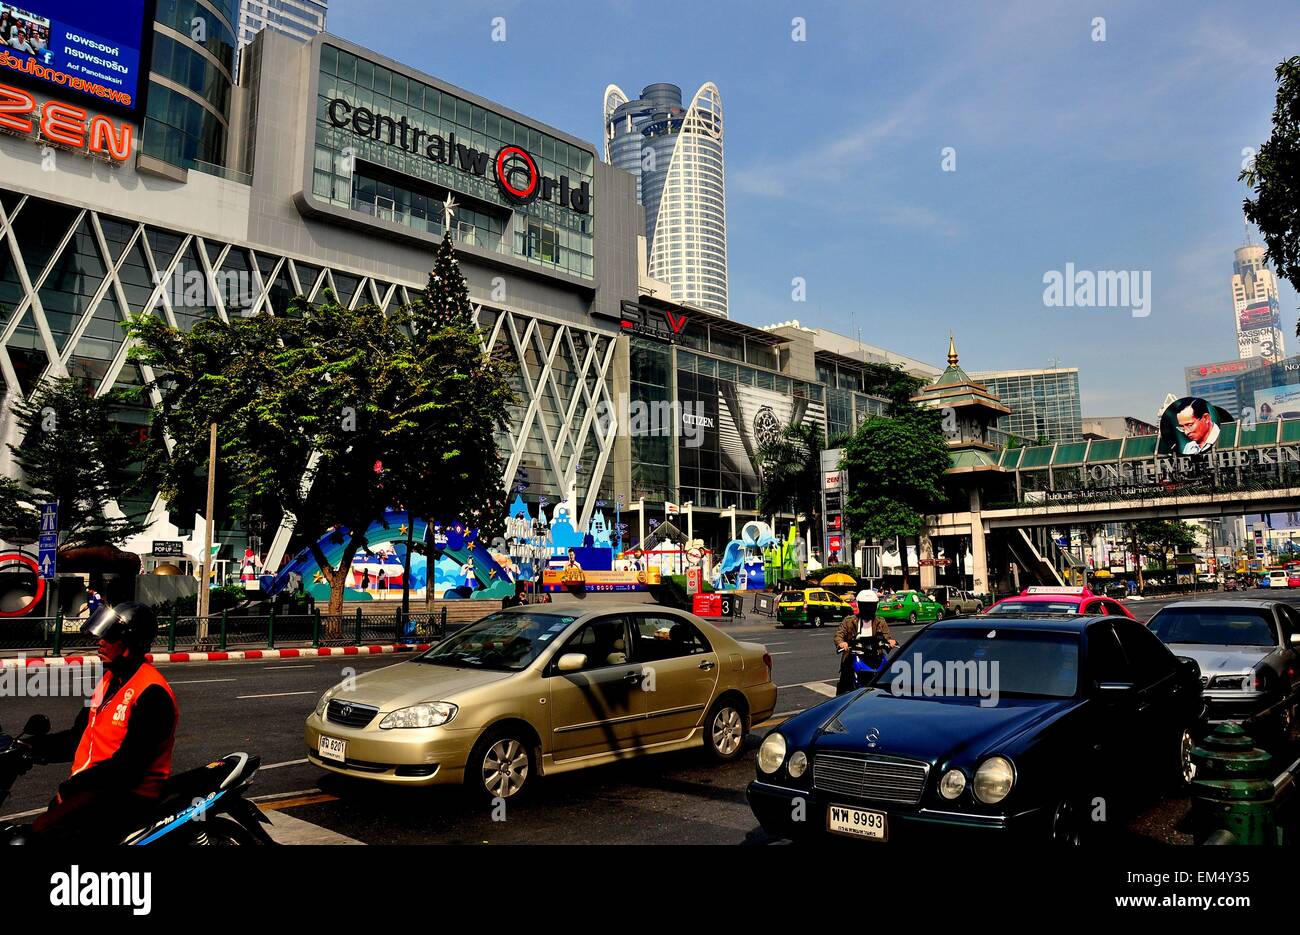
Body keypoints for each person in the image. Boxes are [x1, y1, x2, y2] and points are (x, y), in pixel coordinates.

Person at [27, 602, 178, 844]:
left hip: (127, 797)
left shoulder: (151, 693)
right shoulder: (107, 681)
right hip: (93, 790)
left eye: (110, 637)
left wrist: (74, 789)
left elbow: (128, 768)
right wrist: (29, 748)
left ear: (131, 643)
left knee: (44, 831)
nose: (101, 642)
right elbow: (78, 737)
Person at [834, 589, 897, 695]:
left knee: (887, 676)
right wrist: (841, 643)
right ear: (859, 605)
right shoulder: (849, 621)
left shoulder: (880, 621)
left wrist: (890, 641)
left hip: (876, 656)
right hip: (854, 656)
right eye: (865, 605)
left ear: (875, 606)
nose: (868, 608)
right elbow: (839, 635)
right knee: (846, 678)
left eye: (871, 605)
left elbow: (887, 637)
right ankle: (842, 698)